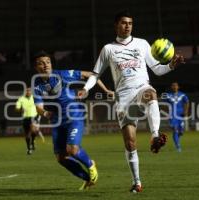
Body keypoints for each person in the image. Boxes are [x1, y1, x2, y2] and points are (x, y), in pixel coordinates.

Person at [79, 10, 184, 193]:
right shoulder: (108, 49)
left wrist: (171, 66)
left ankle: (155, 136)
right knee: (130, 143)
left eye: (130, 23)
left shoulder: (142, 44)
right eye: (123, 23)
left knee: (151, 94)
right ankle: (137, 182)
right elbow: (95, 75)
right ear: (116, 25)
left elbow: (157, 70)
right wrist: (86, 89)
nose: (127, 26)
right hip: (123, 99)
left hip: (141, 88)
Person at [32, 51, 114, 190]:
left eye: (48, 62)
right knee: (61, 158)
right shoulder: (36, 85)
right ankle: (87, 178)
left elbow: (90, 74)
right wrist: (45, 113)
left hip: (73, 116)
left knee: (72, 150)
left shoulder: (62, 75)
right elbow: (38, 106)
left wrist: (106, 90)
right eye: (41, 63)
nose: (45, 65)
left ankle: (90, 165)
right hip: (57, 122)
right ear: (36, 67)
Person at [16, 87, 44, 155]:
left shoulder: (35, 98)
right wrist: (19, 109)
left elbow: (40, 107)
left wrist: (38, 117)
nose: (28, 92)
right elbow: (17, 108)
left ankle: (33, 141)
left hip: (33, 117)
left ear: (31, 92)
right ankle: (29, 148)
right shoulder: (21, 99)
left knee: (33, 131)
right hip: (25, 118)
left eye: (29, 91)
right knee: (27, 134)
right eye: (26, 91)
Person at [162, 82, 189, 152]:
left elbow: (187, 102)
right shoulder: (168, 95)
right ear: (171, 87)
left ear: (178, 87)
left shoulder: (182, 95)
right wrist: (167, 111)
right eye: (173, 86)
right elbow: (163, 104)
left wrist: (185, 111)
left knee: (181, 132)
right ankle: (178, 146)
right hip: (172, 116)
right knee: (175, 130)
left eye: (175, 85)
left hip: (180, 115)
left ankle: (177, 139)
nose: (174, 87)